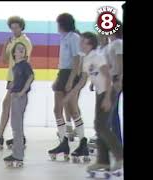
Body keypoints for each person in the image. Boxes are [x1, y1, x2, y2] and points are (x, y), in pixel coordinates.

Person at [73, 32, 123, 172]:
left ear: (89, 44)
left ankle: (120, 155)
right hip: (100, 92)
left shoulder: (97, 56)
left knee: (102, 126)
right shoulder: (87, 58)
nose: (80, 44)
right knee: (99, 125)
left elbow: (108, 76)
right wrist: (72, 94)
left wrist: (107, 97)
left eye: (83, 41)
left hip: (108, 91)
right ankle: (103, 162)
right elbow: (83, 79)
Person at [0, 16, 32, 149]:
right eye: (12, 27)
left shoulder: (25, 41)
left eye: (16, 27)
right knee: (10, 107)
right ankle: (15, 136)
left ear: (21, 27)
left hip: (19, 78)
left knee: (11, 106)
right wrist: (5, 45)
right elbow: (5, 60)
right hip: (11, 77)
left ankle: (1, 135)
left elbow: (25, 60)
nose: (14, 29)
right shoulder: (12, 41)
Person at [48, 13, 89, 163]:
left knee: (72, 109)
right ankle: (63, 143)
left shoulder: (74, 38)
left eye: (58, 23)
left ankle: (82, 142)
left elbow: (76, 59)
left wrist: (71, 81)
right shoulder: (64, 38)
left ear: (63, 24)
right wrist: (59, 78)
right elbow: (64, 61)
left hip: (71, 74)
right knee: (57, 109)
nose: (57, 26)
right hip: (63, 73)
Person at [3, 42, 34, 167]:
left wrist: (22, 92)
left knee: (17, 126)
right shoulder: (16, 67)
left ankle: (18, 155)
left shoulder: (25, 64)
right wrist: (12, 87)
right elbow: (19, 80)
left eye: (23, 50)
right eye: (18, 49)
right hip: (15, 96)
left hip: (19, 97)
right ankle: (17, 153)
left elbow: (31, 77)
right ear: (14, 53)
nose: (21, 51)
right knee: (15, 125)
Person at [105, 20, 123, 144]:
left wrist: (119, 79)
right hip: (113, 79)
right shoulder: (111, 44)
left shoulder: (118, 43)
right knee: (112, 112)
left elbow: (120, 62)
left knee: (113, 112)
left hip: (117, 79)